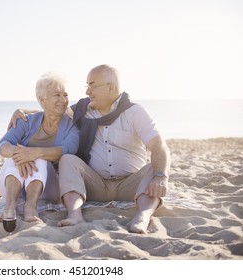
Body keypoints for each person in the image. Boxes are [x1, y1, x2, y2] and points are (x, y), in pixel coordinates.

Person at [9, 64, 171, 233]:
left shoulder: (135, 112)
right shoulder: (83, 109)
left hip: (130, 185)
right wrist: (22, 111)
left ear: (111, 88)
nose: (87, 91)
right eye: (87, 86)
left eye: (92, 85)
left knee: (156, 166)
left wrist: (160, 177)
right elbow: (53, 110)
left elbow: (159, 145)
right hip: (96, 185)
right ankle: (74, 214)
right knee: (68, 159)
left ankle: (142, 217)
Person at [0, 72, 79, 222]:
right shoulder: (26, 121)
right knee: (15, 153)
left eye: (65, 95)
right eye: (57, 95)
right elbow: (2, 145)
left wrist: (34, 153)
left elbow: (69, 149)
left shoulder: (71, 125)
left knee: (40, 158)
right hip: (12, 184)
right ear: (42, 99)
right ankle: (9, 206)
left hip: (48, 187)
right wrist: (20, 154)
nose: (63, 100)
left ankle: (30, 207)